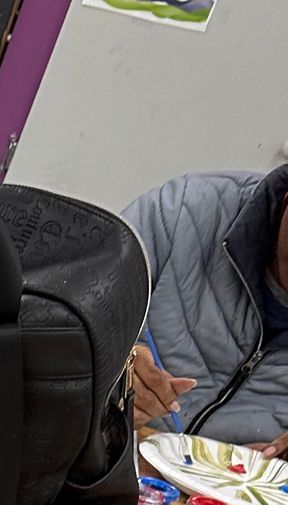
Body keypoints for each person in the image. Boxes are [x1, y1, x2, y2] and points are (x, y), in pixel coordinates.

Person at [123, 161, 288, 452]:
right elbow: (62, 317)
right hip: (99, 461)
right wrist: (111, 367)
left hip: (230, 480)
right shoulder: (184, 212)